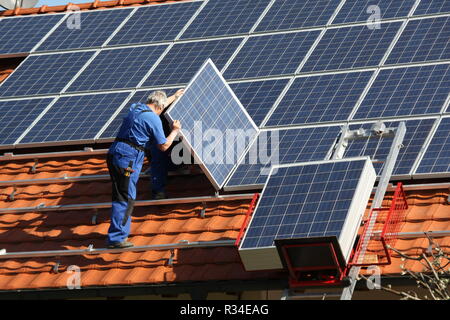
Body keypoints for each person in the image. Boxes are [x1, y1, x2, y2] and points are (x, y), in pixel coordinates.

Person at [106, 89, 183, 248]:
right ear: (159, 107)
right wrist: (175, 131)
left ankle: (117, 234)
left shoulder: (136, 108)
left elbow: (158, 105)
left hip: (115, 154)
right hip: (128, 160)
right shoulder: (154, 119)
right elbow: (163, 145)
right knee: (125, 197)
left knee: (121, 193)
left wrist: (174, 97)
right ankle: (117, 238)